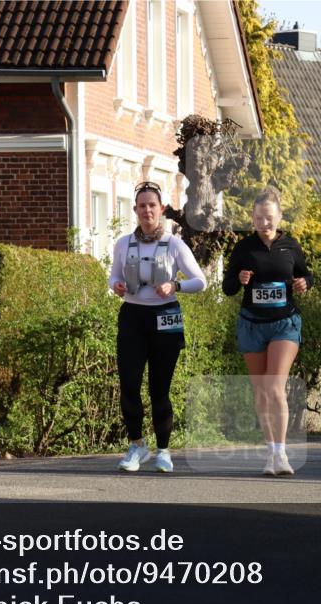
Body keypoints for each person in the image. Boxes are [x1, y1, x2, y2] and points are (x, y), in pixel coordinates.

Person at [109, 181, 207, 472]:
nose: (147, 210)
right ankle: (137, 445)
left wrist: (175, 285)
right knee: (129, 384)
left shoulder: (174, 244)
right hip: (132, 315)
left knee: (159, 388)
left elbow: (200, 281)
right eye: (142, 206)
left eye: (152, 205)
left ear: (161, 209)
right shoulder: (123, 243)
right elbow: (114, 276)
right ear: (135, 210)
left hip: (166, 316)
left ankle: (164, 450)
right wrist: (116, 285)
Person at [223, 187, 312, 476]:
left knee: (274, 386)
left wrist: (304, 283)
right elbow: (227, 288)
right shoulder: (244, 248)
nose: (264, 223)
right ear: (252, 218)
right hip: (252, 324)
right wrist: (239, 278)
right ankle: (271, 452)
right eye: (259, 218)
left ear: (279, 216)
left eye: (269, 218)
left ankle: (282, 453)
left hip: (284, 323)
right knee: (261, 390)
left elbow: (305, 274)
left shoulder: (290, 246)